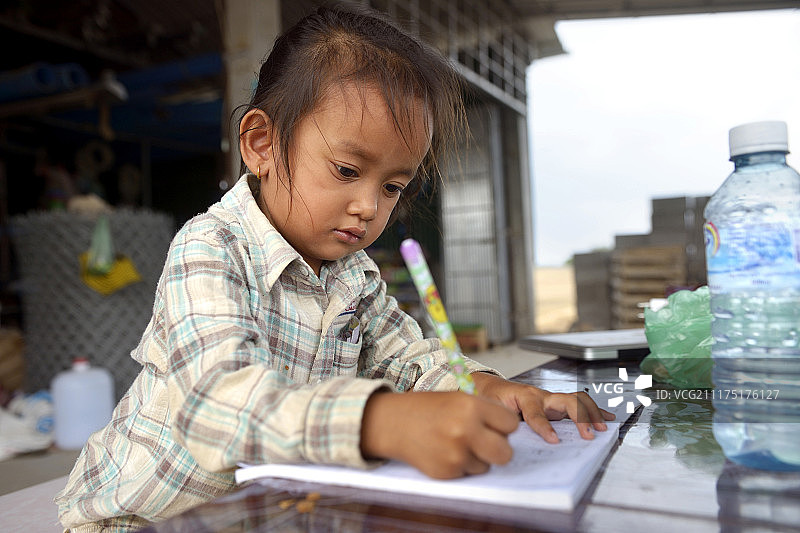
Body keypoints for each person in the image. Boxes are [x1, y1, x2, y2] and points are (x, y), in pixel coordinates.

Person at [55, 4, 614, 531]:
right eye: (347, 169)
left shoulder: (354, 274)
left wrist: (487, 389)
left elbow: (411, 362)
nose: (369, 207)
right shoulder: (212, 247)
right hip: (141, 518)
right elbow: (214, 405)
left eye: (393, 186)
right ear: (261, 143)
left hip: (261, 509)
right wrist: (379, 422)